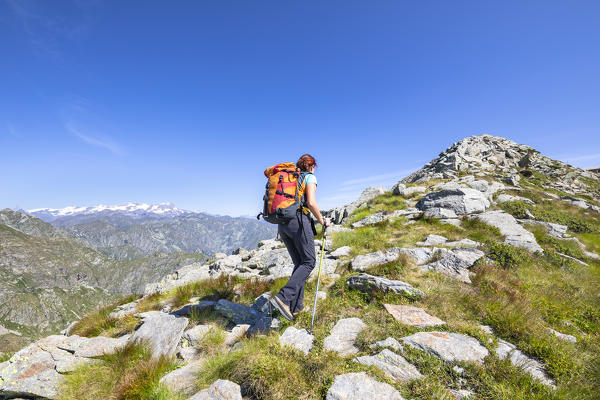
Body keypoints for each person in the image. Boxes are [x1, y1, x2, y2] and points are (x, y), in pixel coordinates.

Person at [269, 154, 330, 321]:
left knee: (299, 263)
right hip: (298, 221)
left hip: (283, 224)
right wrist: (322, 220)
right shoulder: (310, 177)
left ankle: (296, 306)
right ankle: (283, 297)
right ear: (311, 166)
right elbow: (311, 202)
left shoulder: (292, 178)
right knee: (309, 262)